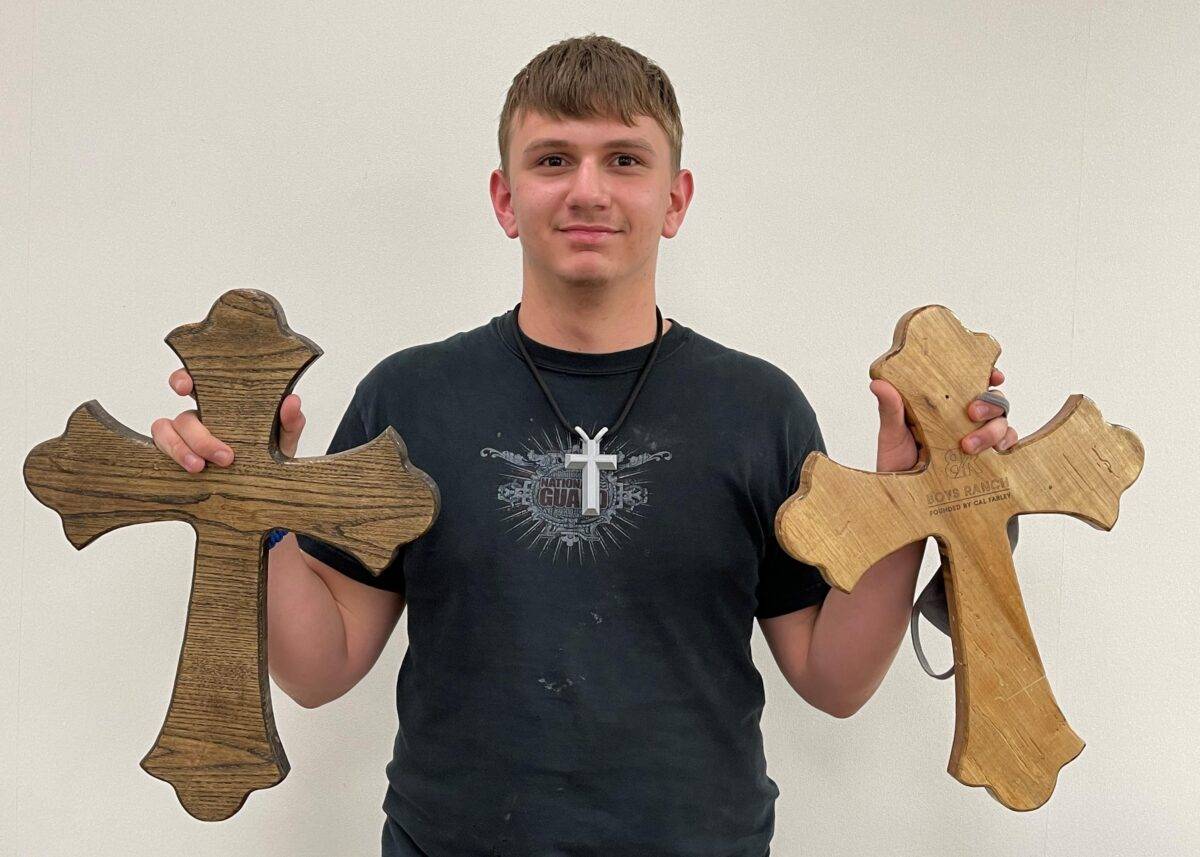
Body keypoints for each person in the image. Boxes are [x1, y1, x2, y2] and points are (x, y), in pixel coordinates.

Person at [149, 34, 1015, 857]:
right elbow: (319, 664)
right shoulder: (409, 398)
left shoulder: (758, 408)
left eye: (625, 159)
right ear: (505, 197)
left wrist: (910, 497)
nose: (588, 190)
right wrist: (252, 496)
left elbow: (833, 677)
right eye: (554, 159)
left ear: (675, 200)